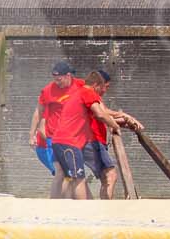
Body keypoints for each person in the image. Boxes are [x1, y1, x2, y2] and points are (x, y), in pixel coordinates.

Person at [28, 60, 119, 201]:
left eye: (59, 79)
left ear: (68, 75)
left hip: (61, 139)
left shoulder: (79, 87)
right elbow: (100, 113)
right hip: (67, 140)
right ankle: (77, 210)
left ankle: (59, 206)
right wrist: (115, 125)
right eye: (102, 88)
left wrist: (118, 117)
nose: (57, 82)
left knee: (68, 176)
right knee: (76, 177)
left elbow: (101, 110)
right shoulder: (86, 91)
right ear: (95, 86)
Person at [82, 69, 144, 199]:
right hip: (93, 141)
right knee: (110, 175)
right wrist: (121, 119)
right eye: (106, 87)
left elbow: (105, 114)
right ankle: (106, 207)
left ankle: (103, 205)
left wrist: (124, 120)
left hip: (93, 140)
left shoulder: (90, 96)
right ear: (99, 84)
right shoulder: (90, 94)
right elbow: (103, 113)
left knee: (106, 177)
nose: (105, 91)